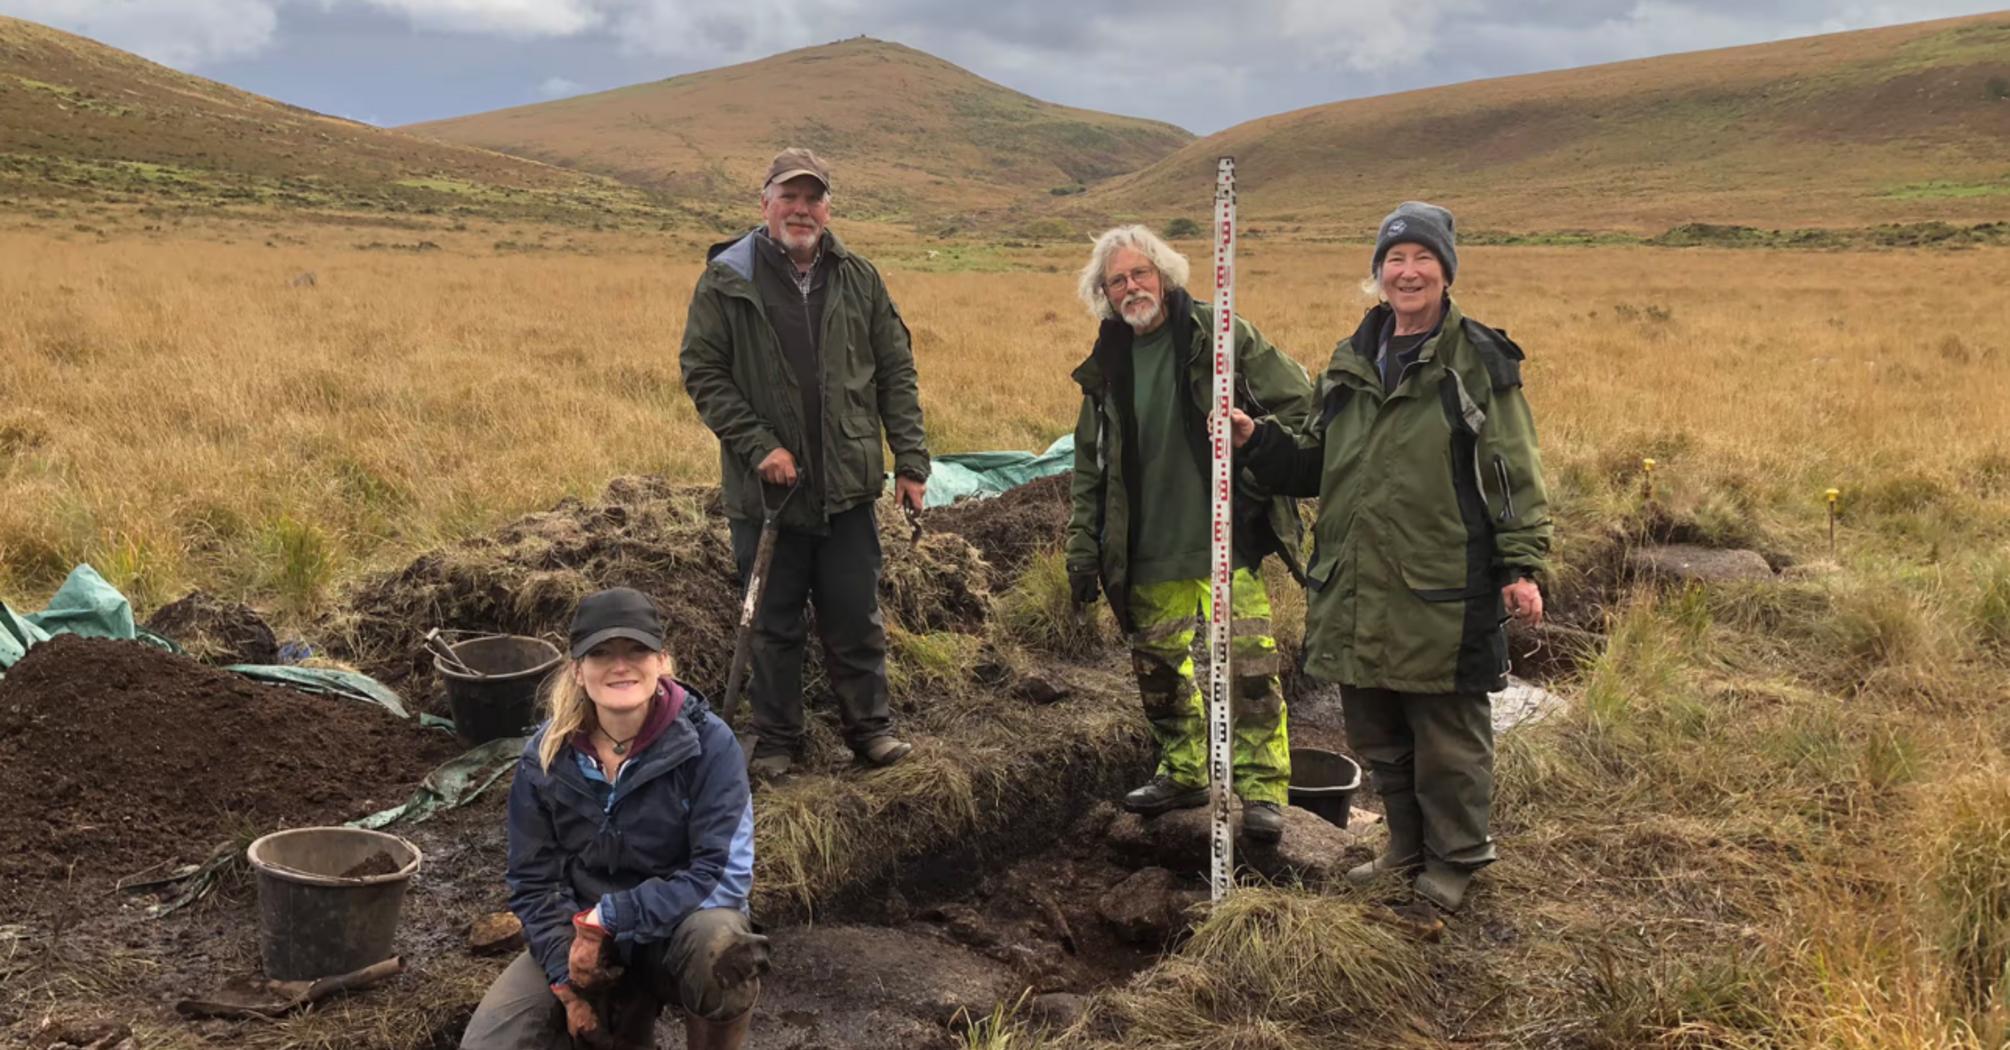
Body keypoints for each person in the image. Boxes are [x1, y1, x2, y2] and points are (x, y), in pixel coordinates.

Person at [1232, 202, 1551, 913]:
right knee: (1376, 727)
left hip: (1441, 582)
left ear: (1444, 271)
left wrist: (1520, 565)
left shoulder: (1476, 360)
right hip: (1355, 580)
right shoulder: (1351, 361)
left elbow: (1509, 471)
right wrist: (1258, 440)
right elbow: (1316, 464)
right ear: (1377, 274)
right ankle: (1405, 848)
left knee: (1446, 732)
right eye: (1394, 260)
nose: (1407, 272)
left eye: (1422, 259)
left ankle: (1458, 860)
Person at [679, 147, 929, 780]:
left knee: (854, 614)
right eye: (788, 196)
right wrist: (760, 444)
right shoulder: (727, 278)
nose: (801, 208)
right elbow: (703, 373)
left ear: (827, 208)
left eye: (812, 197)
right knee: (772, 621)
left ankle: (870, 732)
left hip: (846, 485)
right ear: (764, 203)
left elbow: (895, 371)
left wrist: (911, 462)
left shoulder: (859, 277)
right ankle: (776, 742)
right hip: (768, 494)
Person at [1064, 225, 1315, 844]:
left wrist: (1252, 433)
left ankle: (1261, 790)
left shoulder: (1221, 335)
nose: (1131, 288)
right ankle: (1183, 770)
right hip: (1143, 545)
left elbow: (1303, 402)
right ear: (1104, 292)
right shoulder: (1107, 361)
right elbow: (1089, 464)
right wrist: (1081, 546)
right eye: (1117, 280)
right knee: (1159, 672)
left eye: (1139, 274)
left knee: (1250, 669)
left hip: (1228, 537)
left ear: (1165, 275)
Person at [461, 587, 768, 1050]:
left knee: (721, 946)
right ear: (577, 670)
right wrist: (567, 982)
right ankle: (621, 1019)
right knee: (491, 1043)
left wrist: (611, 917)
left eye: (637, 649)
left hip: (676, 933)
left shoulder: (710, 745)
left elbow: (721, 876)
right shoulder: (544, 758)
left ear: (662, 660)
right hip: (582, 936)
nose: (620, 665)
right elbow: (533, 880)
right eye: (600, 652)